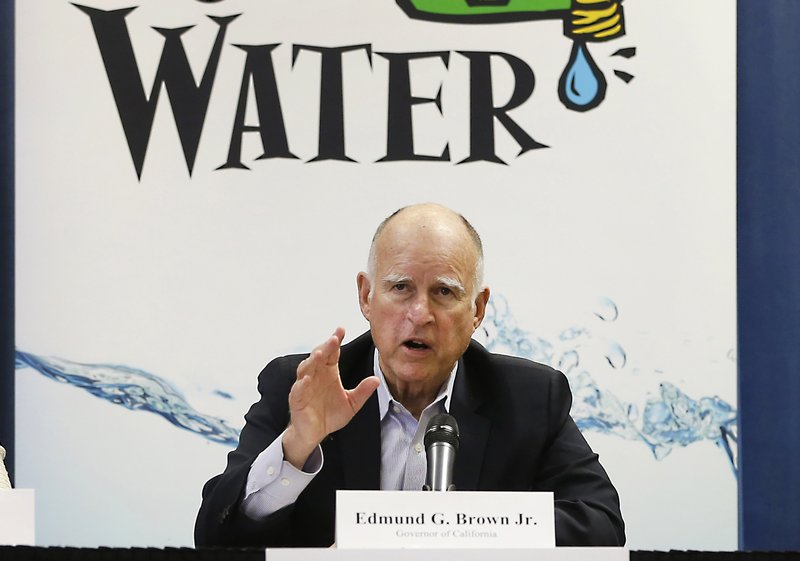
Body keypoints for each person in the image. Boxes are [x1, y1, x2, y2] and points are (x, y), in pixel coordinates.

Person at [195, 203, 624, 547]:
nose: (419, 315)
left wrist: (454, 531)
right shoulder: (300, 386)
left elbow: (601, 527)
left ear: (477, 310)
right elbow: (217, 538)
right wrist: (297, 447)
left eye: (444, 292)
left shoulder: (530, 397)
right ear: (366, 296)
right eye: (400, 288)